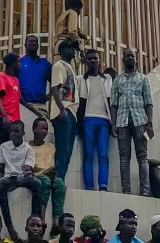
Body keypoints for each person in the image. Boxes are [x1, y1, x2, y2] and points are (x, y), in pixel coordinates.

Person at [109, 48, 153, 195]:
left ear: (136, 59)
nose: (129, 58)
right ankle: (126, 190)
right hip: (122, 122)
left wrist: (150, 123)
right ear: (123, 60)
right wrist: (113, 123)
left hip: (140, 121)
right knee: (124, 157)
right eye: (127, 56)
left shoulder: (143, 78)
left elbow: (149, 103)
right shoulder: (117, 80)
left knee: (142, 157)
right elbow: (114, 104)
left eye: (132, 56)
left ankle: (144, 191)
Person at [0, 120, 42, 241]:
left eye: (17, 131)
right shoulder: (3, 146)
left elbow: (29, 168)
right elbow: (0, 169)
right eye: (12, 131)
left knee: (37, 183)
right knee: (1, 183)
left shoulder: (28, 149)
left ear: (23, 133)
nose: (14, 134)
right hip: (9, 178)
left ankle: (35, 220)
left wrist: (27, 172)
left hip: (23, 177)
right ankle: (9, 226)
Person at [76, 48, 112, 190]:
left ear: (99, 61)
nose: (92, 61)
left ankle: (103, 185)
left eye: (95, 58)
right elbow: (79, 103)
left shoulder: (107, 79)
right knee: (88, 155)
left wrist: (113, 123)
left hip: (104, 120)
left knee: (103, 154)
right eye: (89, 58)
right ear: (85, 61)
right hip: (87, 120)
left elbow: (112, 101)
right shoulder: (81, 79)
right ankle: (89, 187)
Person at [29, 118, 66, 236]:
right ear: (34, 129)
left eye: (46, 129)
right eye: (42, 128)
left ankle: (56, 221)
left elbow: (53, 163)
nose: (45, 131)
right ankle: (42, 219)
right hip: (36, 175)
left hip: (50, 175)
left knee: (60, 184)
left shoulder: (51, 146)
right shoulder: (27, 147)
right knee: (44, 181)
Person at [49, 37, 79, 180]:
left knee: (68, 151)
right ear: (61, 50)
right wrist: (61, 110)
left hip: (72, 112)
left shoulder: (71, 68)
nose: (73, 51)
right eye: (70, 48)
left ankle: (60, 179)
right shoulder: (58, 65)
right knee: (62, 149)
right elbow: (55, 89)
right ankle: (58, 180)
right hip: (64, 111)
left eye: (74, 48)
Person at [0, 53, 23, 148]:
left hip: (13, 121)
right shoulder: (0, 76)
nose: (20, 65)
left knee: (10, 150)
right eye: (19, 62)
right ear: (14, 63)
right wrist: (4, 116)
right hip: (0, 119)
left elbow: (19, 100)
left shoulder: (15, 80)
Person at [20, 35, 52, 116]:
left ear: (38, 45)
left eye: (35, 41)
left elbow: (55, 82)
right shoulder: (19, 63)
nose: (33, 43)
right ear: (25, 44)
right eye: (31, 41)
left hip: (40, 106)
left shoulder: (45, 64)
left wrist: (49, 95)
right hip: (23, 105)